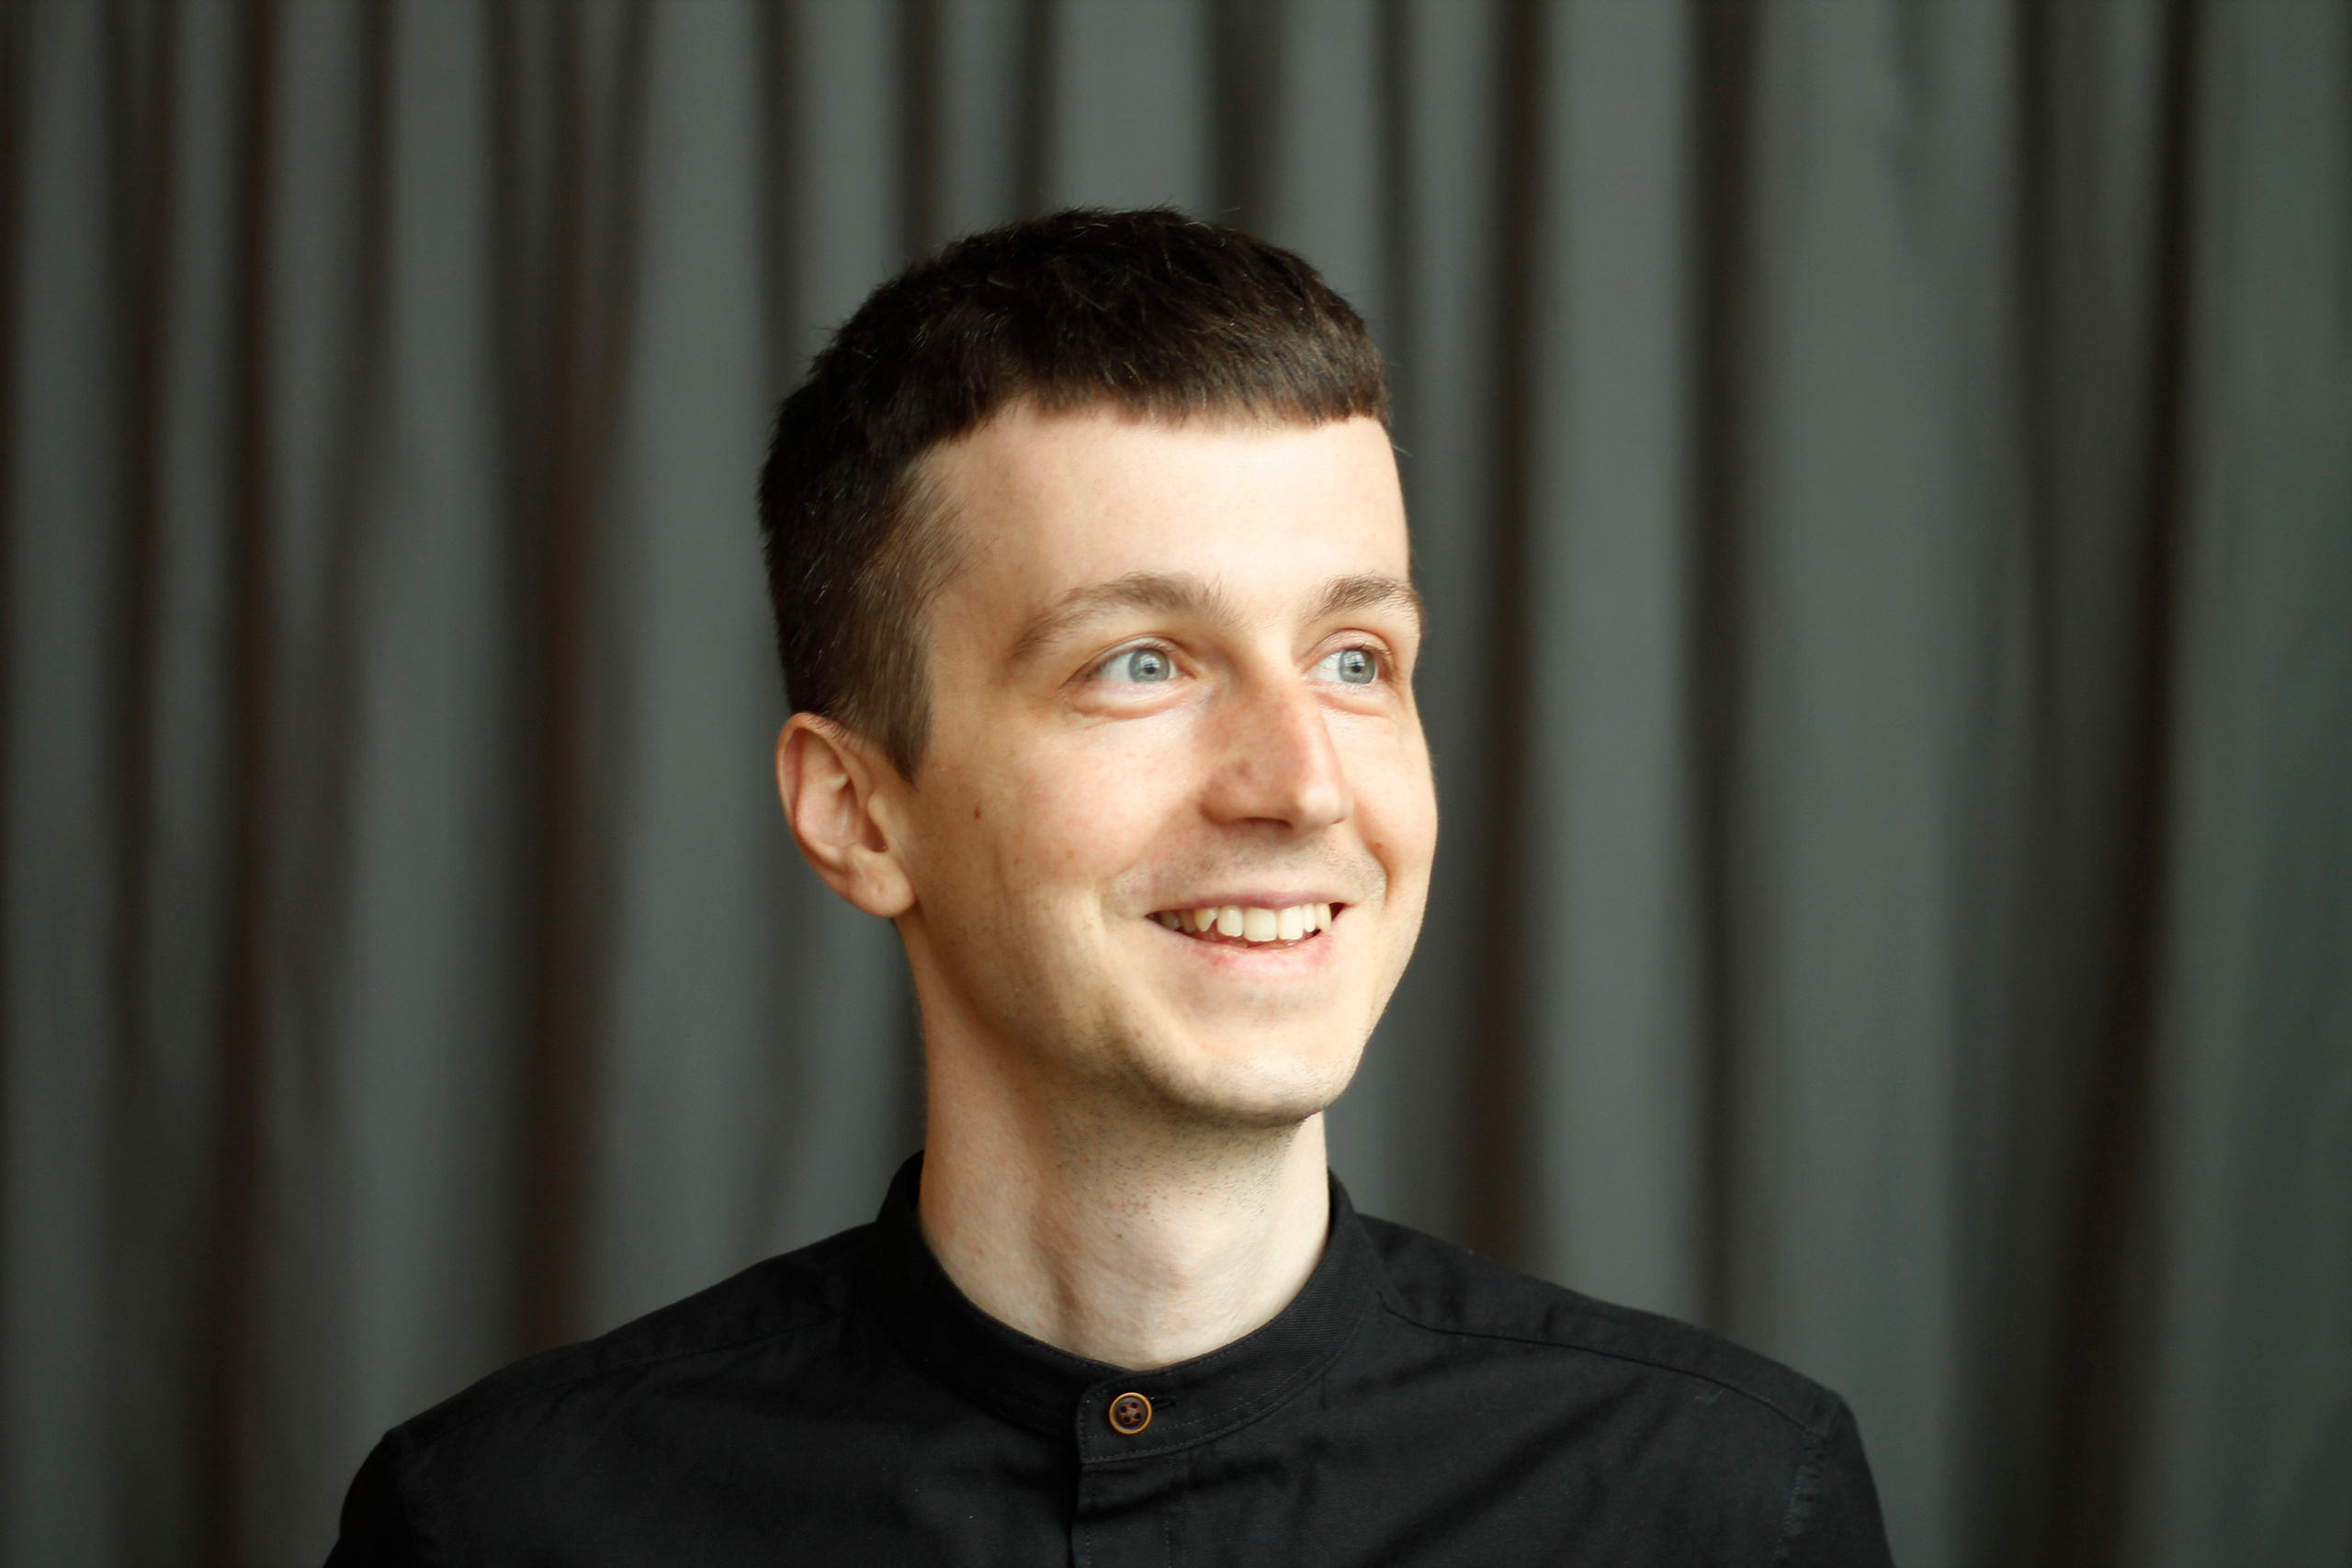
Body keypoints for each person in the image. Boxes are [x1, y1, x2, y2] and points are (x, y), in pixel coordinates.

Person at [324, 208, 1891, 1566]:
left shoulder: (1729, 1510)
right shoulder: (505, 1527)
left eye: (1357, 659)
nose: (1300, 782)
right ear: (858, 812)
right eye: (1140, 663)